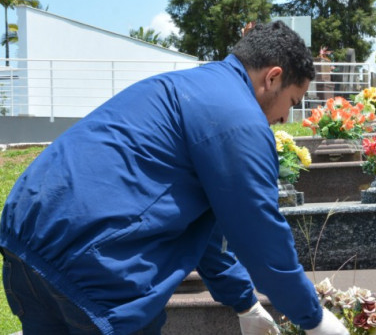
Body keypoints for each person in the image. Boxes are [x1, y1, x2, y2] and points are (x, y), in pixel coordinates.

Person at [0, 21, 348, 335]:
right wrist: (314, 320)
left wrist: (245, 302)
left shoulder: (186, 85)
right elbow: (259, 231)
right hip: (97, 263)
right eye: (293, 100)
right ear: (272, 78)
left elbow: (205, 232)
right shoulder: (240, 118)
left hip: (25, 237)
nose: (287, 116)